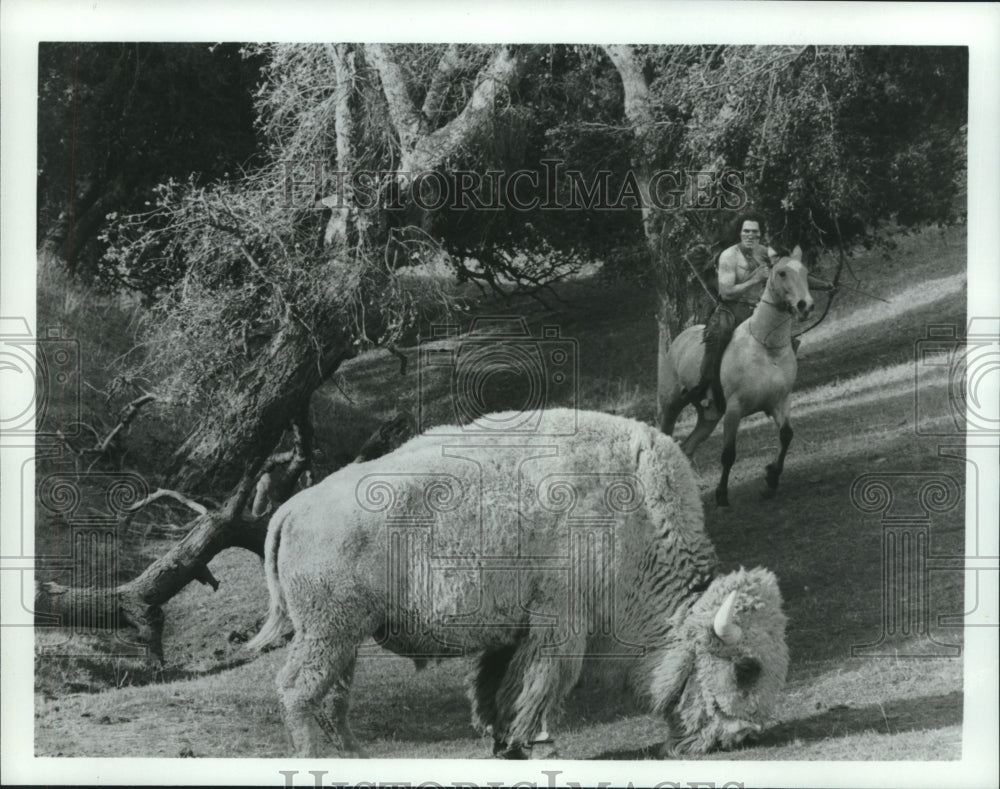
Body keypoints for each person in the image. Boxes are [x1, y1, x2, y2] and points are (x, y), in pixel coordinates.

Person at [688, 213, 776, 411]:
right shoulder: (729, 255)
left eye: (755, 231)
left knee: (784, 331)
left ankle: (777, 386)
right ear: (740, 233)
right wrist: (755, 279)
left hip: (759, 308)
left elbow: (789, 271)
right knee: (719, 335)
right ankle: (706, 387)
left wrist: (826, 285)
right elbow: (726, 294)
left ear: (761, 233)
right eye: (746, 231)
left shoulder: (766, 253)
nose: (750, 235)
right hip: (732, 309)